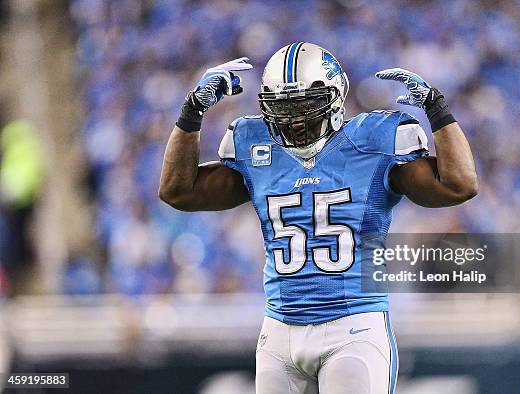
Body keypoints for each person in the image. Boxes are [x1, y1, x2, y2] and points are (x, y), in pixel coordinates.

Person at [159, 42, 478, 394]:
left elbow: (458, 185)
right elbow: (178, 191)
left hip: (352, 327)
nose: (294, 119)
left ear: (335, 97)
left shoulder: (372, 141)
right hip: (279, 332)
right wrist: (191, 114)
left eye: (305, 104)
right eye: (283, 107)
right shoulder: (256, 145)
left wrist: (437, 110)